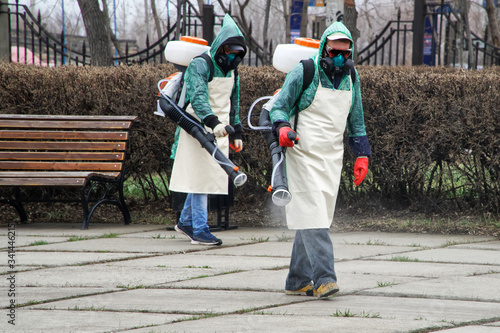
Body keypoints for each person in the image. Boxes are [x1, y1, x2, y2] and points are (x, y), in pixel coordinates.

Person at [269, 21, 371, 297]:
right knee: (313, 213)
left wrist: (362, 154)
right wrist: (283, 127)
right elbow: (279, 106)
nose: (339, 59)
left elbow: (356, 120)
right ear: (324, 47)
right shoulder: (305, 70)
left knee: (315, 215)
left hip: (331, 157)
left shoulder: (352, 77)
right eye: (334, 52)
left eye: (345, 54)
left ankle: (297, 280)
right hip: (301, 154)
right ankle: (325, 277)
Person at [169, 14, 247, 246]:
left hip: (221, 130)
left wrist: (237, 132)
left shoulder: (233, 70)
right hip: (197, 128)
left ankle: (185, 222)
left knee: (204, 177)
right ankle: (199, 230)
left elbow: (234, 101)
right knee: (201, 177)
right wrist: (213, 123)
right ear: (221, 48)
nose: (234, 58)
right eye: (231, 52)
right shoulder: (200, 64)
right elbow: (199, 98)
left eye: (238, 54)